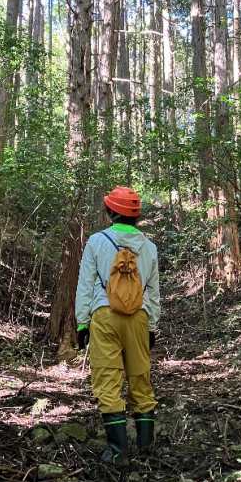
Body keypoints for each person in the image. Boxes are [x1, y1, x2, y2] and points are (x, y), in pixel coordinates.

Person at [75, 186, 160, 466]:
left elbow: (85, 284)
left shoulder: (96, 241)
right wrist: (152, 327)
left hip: (104, 315)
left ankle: (117, 450)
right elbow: (153, 292)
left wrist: (82, 323)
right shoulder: (149, 247)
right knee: (140, 378)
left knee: (108, 380)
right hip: (139, 317)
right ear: (136, 216)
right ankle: (146, 448)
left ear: (110, 212)